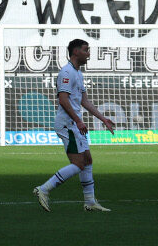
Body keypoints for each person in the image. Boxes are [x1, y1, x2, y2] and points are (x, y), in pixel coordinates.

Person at [33, 39, 116, 212]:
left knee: (87, 160)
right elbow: (63, 100)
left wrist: (103, 118)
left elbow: (84, 101)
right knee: (78, 163)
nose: (88, 53)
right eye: (86, 50)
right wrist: (78, 121)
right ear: (76, 52)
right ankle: (44, 189)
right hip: (68, 124)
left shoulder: (78, 73)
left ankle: (90, 201)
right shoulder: (67, 72)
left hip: (74, 124)